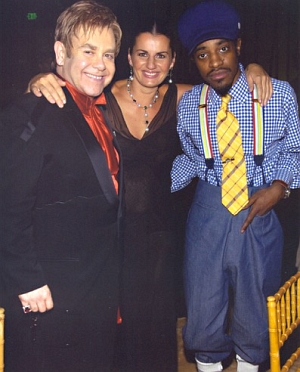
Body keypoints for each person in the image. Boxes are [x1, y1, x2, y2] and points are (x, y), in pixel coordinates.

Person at [27, 21, 272, 372]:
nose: (151, 64)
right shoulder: (101, 96)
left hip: (161, 233)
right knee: (111, 326)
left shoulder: (187, 96)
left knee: (156, 324)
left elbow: (225, 77)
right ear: (128, 57)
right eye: (142, 54)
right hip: (110, 233)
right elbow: (54, 100)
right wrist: (39, 80)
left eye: (161, 56)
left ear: (173, 61)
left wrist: (254, 68)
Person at [171, 1, 300, 372]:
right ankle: (208, 363)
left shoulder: (278, 94)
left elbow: (295, 149)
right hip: (207, 210)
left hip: (259, 206)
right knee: (201, 301)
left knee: (255, 304)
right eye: (202, 54)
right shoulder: (190, 103)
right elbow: (186, 153)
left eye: (222, 48)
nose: (215, 62)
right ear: (192, 61)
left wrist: (280, 188)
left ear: (239, 47)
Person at [0, 1, 123, 371]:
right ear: (60, 52)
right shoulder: (32, 110)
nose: (100, 63)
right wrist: (27, 280)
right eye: (88, 51)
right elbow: (8, 204)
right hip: (49, 294)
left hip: (93, 286)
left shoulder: (100, 109)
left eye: (109, 54)